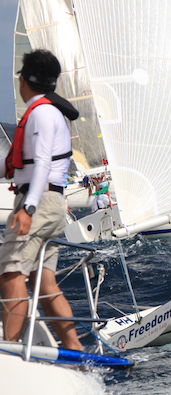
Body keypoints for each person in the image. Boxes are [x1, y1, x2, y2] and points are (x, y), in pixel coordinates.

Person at [0, 49, 83, 350]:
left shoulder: (41, 114)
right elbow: (19, 165)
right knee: (43, 283)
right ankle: (75, 351)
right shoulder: (46, 112)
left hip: (38, 204)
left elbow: (43, 165)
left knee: (11, 275)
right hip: (49, 204)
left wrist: (28, 208)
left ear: (23, 80)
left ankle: (8, 351)